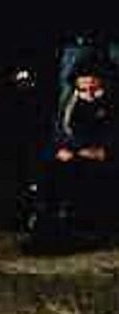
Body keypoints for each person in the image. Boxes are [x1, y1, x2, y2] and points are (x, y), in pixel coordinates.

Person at [44, 59, 115, 228]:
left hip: (104, 155)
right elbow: (60, 131)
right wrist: (61, 148)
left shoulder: (111, 102)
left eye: (94, 88)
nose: (89, 93)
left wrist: (105, 151)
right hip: (77, 152)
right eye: (83, 89)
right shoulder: (69, 103)